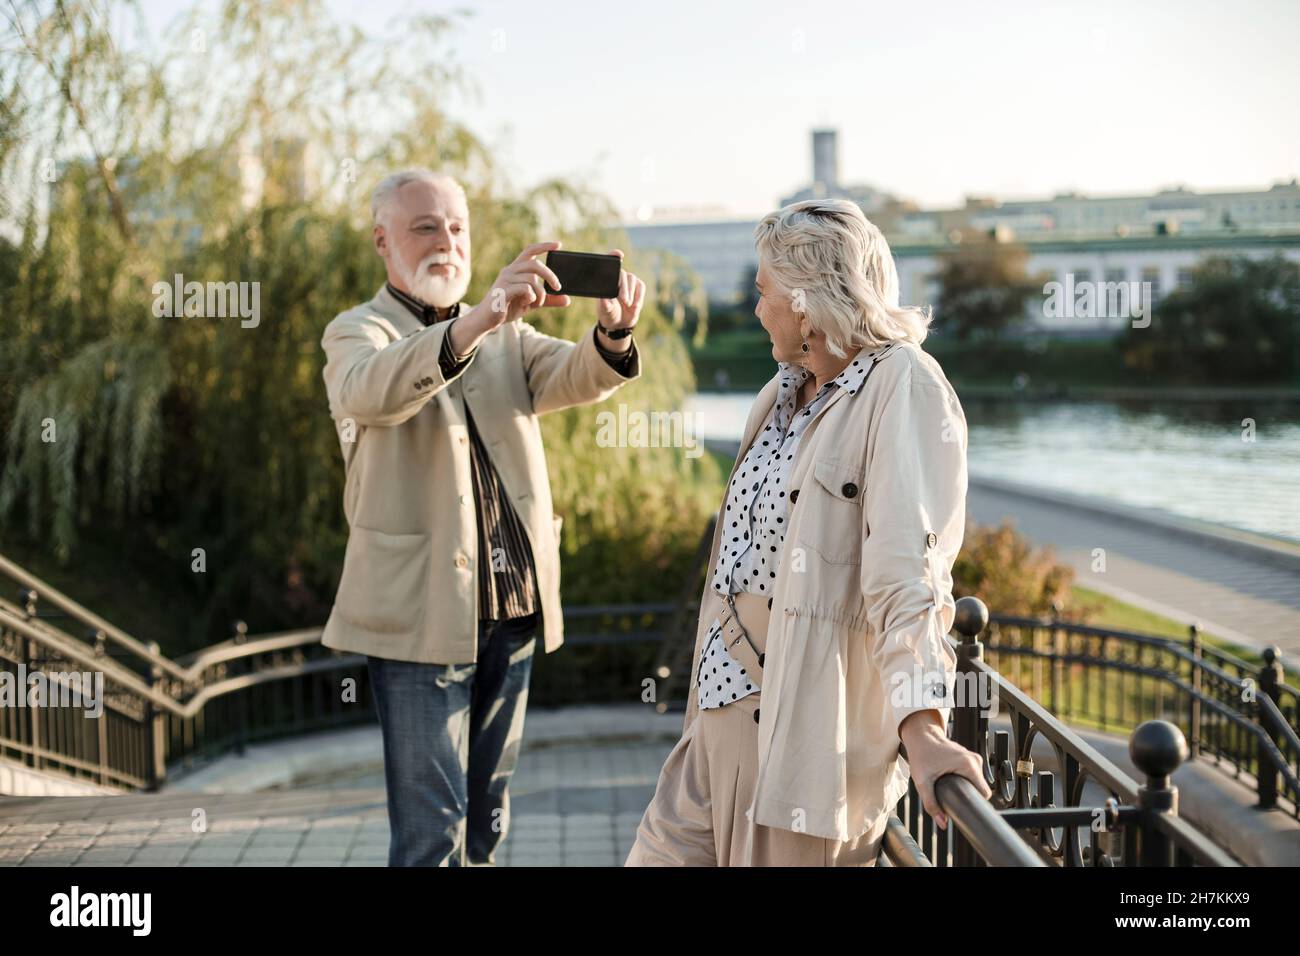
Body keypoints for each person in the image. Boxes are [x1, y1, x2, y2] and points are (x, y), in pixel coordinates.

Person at [626, 198, 991, 867]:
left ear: (803, 301)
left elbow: (907, 572)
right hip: (713, 726)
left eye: (764, 292)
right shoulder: (779, 392)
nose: (755, 309)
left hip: (803, 742)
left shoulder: (903, 385)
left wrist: (925, 728)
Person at [320, 168, 645, 866]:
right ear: (383, 241)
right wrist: (480, 319)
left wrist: (611, 336)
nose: (447, 241)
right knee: (431, 834)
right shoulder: (357, 332)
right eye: (425, 226)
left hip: (514, 611)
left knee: (486, 823)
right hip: (419, 621)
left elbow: (574, 376)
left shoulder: (509, 337)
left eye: (457, 227)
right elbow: (369, 394)